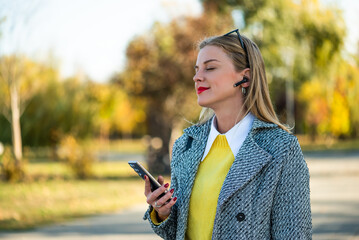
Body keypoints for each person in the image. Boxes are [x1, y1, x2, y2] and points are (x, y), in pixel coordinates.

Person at [143, 29, 312, 239]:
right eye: (196, 70)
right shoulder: (186, 145)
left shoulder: (281, 149)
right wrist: (163, 211)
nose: (197, 77)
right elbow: (179, 232)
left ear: (245, 77)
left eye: (210, 68)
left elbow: (294, 235)